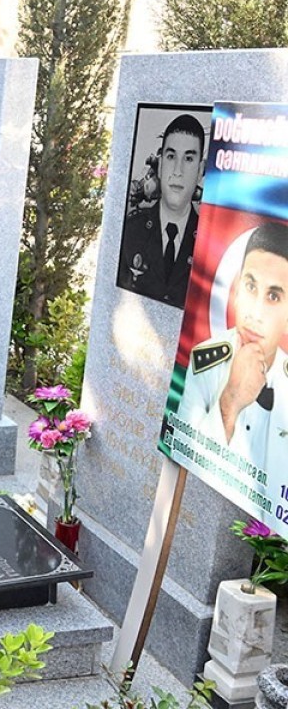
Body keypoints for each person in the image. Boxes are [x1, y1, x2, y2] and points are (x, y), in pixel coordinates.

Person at [178, 223, 288, 474]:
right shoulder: (204, 361)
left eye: (273, 297)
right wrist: (229, 403)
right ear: (236, 292)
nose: (255, 314)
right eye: (251, 287)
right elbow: (185, 450)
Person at [118, 114, 206, 308]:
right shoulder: (131, 230)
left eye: (189, 158)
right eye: (171, 156)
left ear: (200, 171)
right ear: (160, 166)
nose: (177, 170)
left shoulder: (208, 244)